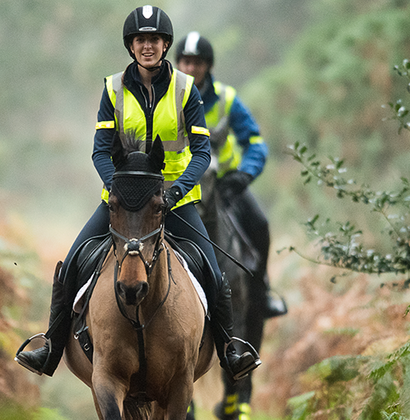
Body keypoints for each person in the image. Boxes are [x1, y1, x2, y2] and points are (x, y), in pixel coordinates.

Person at [15, 5, 261, 382]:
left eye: (155, 40)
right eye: (141, 40)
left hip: (174, 200)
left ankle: (230, 349)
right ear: (131, 45)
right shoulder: (112, 89)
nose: (148, 46)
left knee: (213, 271)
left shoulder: (185, 89)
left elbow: (202, 152)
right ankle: (49, 346)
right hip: (122, 201)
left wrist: (178, 189)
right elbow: (100, 149)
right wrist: (116, 186)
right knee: (71, 264)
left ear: (165, 45)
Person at [175, 31, 287, 319]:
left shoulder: (227, 99)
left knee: (260, 225)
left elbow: (255, 143)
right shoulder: (163, 98)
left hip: (225, 186)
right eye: (185, 62)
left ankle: (261, 295)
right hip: (178, 185)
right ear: (177, 64)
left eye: (197, 63)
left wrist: (244, 176)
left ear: (208, 66)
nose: (191, 69)